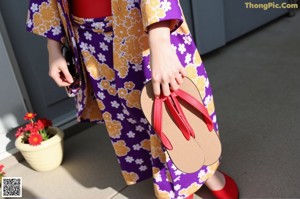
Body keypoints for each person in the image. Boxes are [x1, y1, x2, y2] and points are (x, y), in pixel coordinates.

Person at [26, 0, 239, 198]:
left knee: (176, 102)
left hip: (144, 23)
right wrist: (53, 46)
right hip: (91, 35)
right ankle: (172, 183)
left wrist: (160, 39)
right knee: (132, 113)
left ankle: (204, 171)